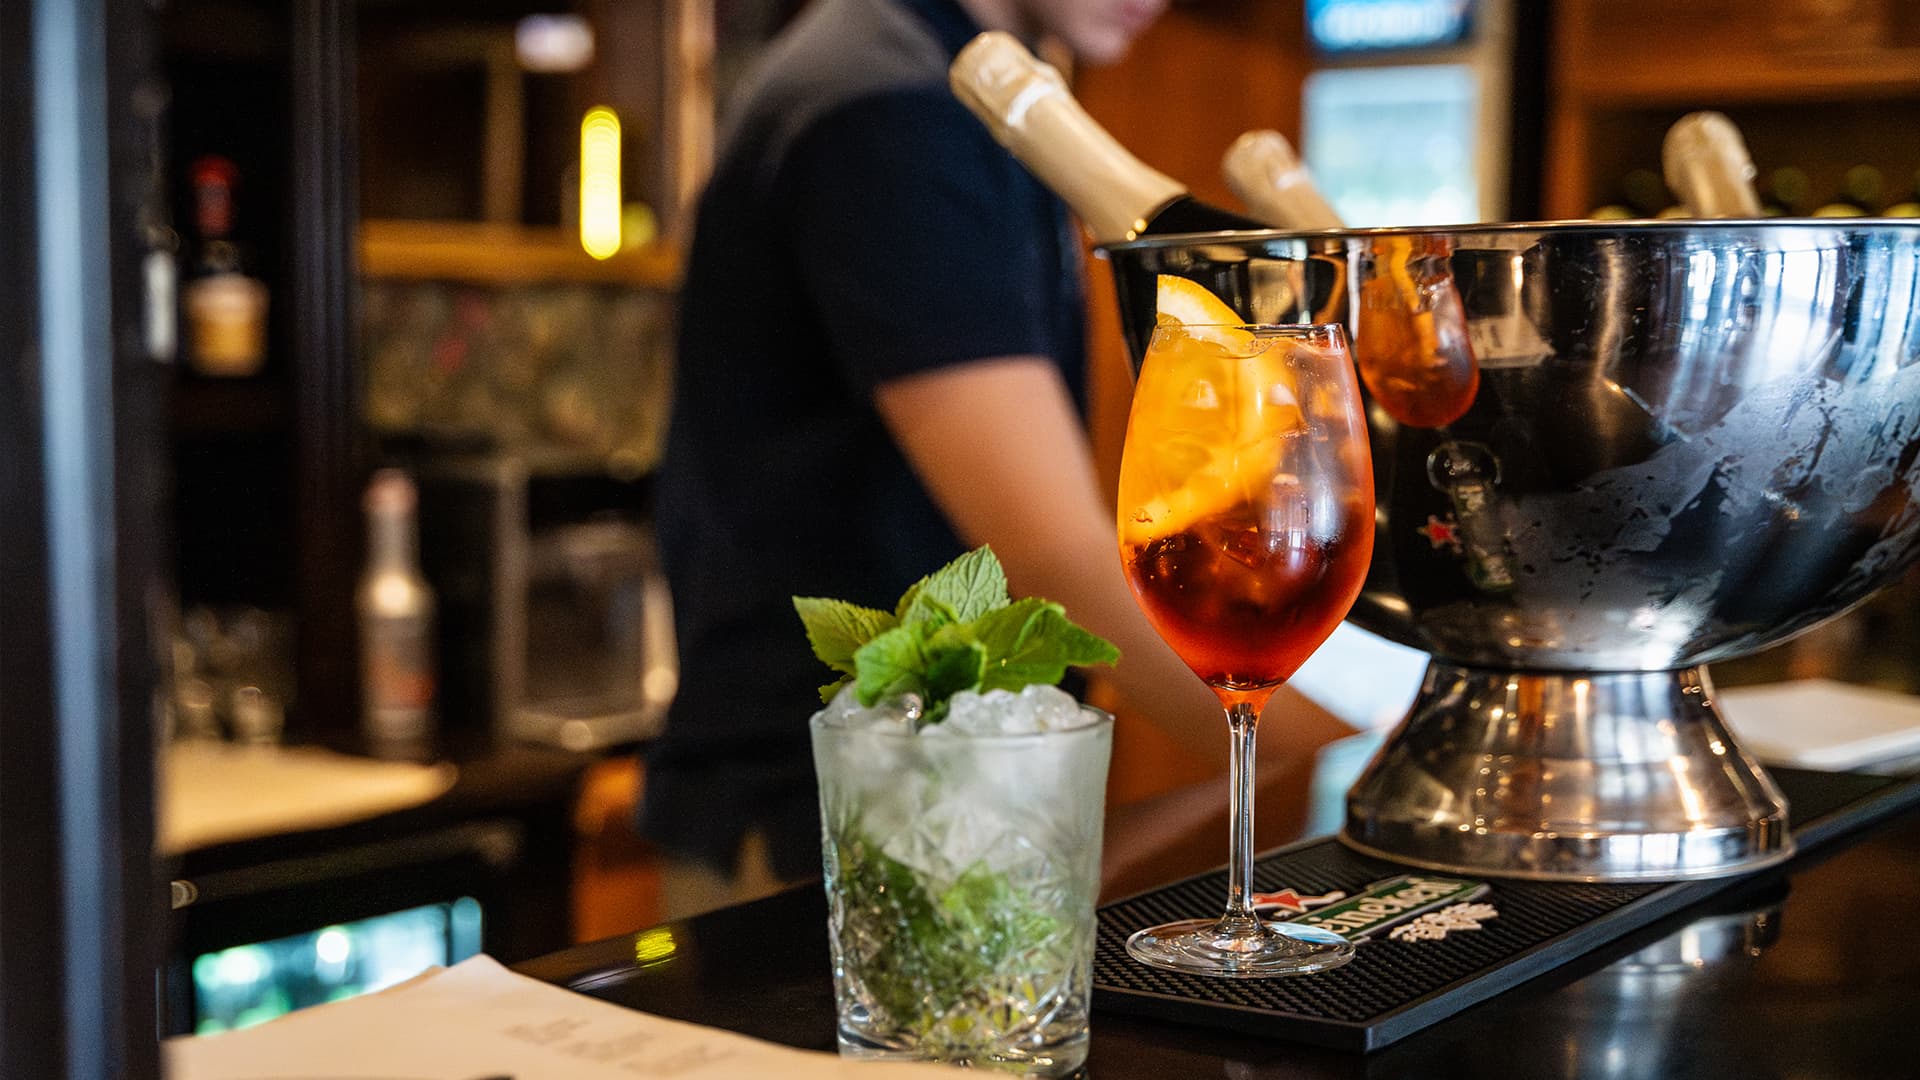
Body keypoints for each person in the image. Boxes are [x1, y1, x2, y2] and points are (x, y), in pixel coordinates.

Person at [643, 0, 1363, 918]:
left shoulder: (957, 83)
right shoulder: (887, 106)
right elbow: (1054, 554)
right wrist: (1359, 774)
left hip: (920, 791)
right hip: (835, 816)